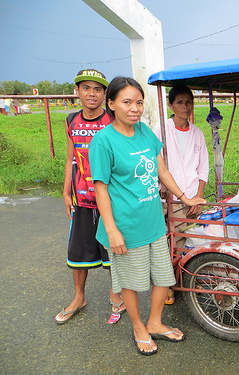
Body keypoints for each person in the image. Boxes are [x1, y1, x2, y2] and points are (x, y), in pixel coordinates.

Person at [89, 76, 205, 356]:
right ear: (112, 104)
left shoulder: (144, 133)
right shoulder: (103, 142)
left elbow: (162, 171)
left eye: (139, 102)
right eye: (127, 102)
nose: (135, 108)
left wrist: (185, 197)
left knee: (164, 278)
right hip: (125, 226)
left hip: (153, 221)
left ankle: (154, 322)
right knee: (130, 282)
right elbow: (101, 190)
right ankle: (139, 327)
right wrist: (112, 230)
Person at [55, 69, 126, 325]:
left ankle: (116, 295)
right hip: (81, 198)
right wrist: (65, 191)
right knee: (78, 252)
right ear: (77, 92)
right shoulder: (71, 121)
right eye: (86, 88)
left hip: (109, 198)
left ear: (106, 95)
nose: (92, 93)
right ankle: (79, 297)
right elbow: (70, 158)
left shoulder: (113, 119)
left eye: (98, 89)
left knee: (113, 251)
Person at [153, 83, 209, 305]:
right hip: (172, 198)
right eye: (180, 102)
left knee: (191, 240)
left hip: (193, 196)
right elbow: (158, 165)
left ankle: (189, 278)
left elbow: (202, 168)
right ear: (170, 105)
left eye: (189, 102)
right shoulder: (161, 130)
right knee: (172, 243)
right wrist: (169, 193)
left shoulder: (197, 133)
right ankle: (168, 285)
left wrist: (199, 197)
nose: (185, 107)